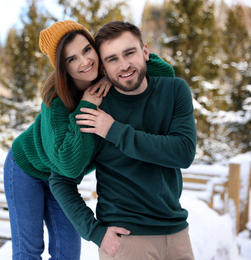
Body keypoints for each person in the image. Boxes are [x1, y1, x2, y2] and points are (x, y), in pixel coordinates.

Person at [4, 20, 176, 259]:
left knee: (68, 254)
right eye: (71, 59)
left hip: (61, 182)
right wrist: (86, 105)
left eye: (86, 50)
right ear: (62, 68)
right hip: (26, 169)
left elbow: (166, 73)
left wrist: (110, 74)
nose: (84, 62)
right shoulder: (56, 101)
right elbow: (69, 164)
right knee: (29, 251)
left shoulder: (112, 76)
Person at [49, 20, 197, 260]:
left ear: (145, 52)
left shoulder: (175, 90)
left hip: (177, 232)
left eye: (130, 53)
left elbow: (184, 152)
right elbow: (60, 179)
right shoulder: (95, 110)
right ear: (103, 67)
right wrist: (95, 232)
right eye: (112, 59)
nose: (124, 65)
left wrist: (114, 131)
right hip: (127, 241)